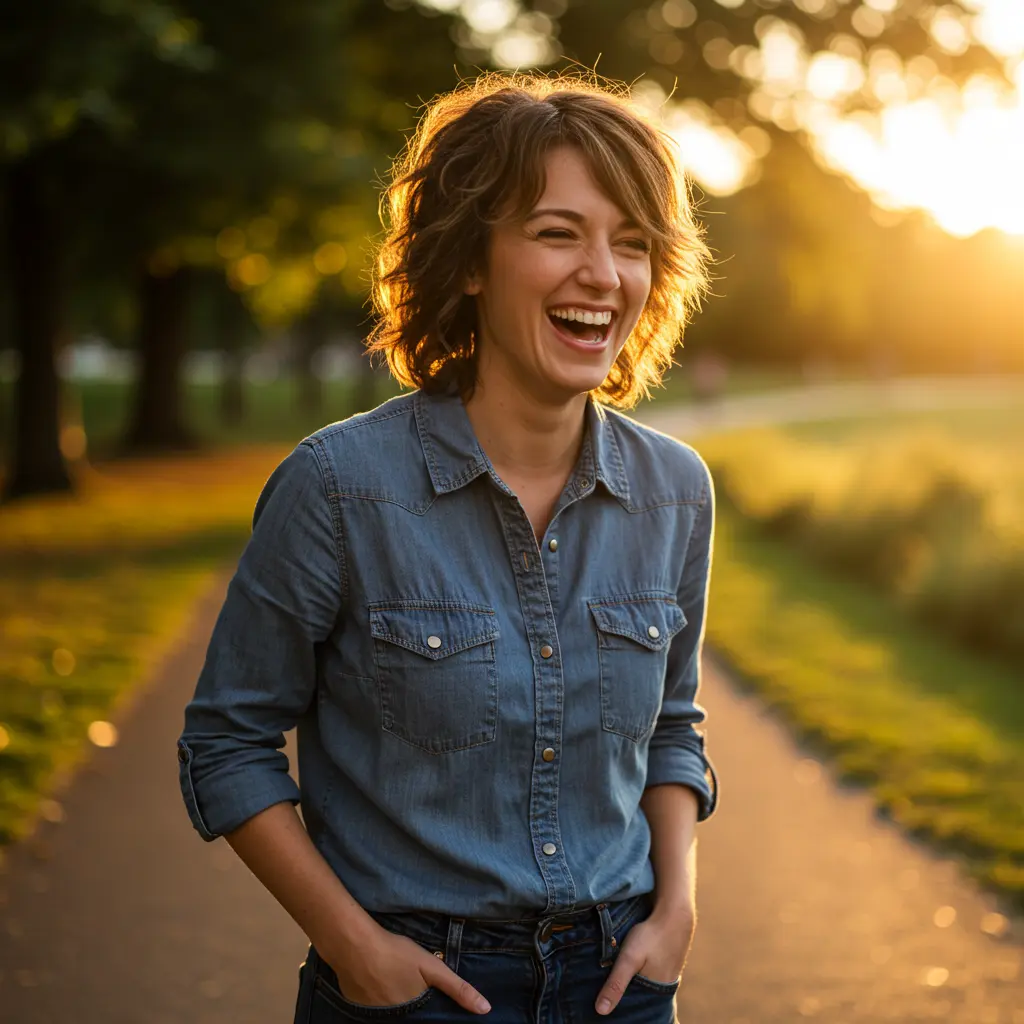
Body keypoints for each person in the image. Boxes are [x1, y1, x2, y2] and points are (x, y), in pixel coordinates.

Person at [177, 71, 718, 1023]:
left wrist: (676, 909)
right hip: (409, 990)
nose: (604, 273)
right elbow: (227, 744)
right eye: (559, 233)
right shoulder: (339, 487)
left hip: (622, 987)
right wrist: (355, 949)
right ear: (470, 260)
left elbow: (672, 727)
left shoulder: (675, 491)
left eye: (632, 245)